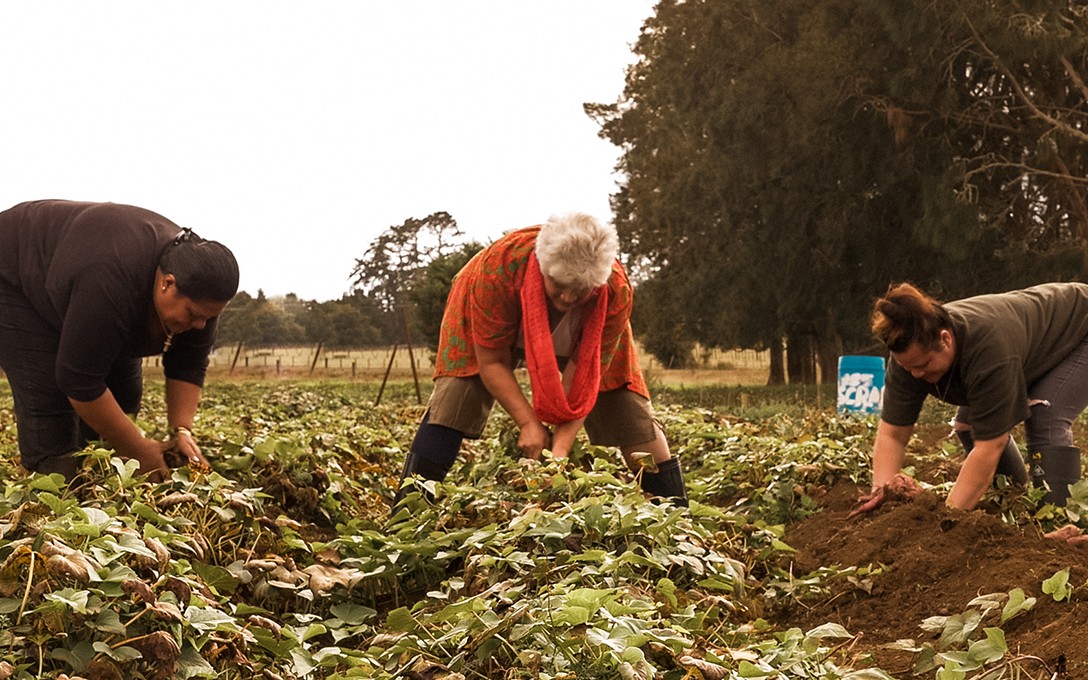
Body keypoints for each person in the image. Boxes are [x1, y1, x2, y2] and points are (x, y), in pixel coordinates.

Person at [394, 212, 688, 506]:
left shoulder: (614, 289)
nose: (569, 299)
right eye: (559, 286)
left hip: (591, 329)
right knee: (457, 395)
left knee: (626, 406)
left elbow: (586, 374)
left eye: (581, 290)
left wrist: (559, 449)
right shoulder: (497, 270)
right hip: (490, 308)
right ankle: (409, 510)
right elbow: (492, 361)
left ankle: (676, 515)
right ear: (544, 267)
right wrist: (528, 424)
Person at [0, 199, 239, 480]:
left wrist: (181, 430)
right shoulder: (111, 279)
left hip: (75, 283)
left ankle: (100, 474)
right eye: (194, 314)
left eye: (209, 318)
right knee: (49, 393)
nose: (201, 324)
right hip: (12, 275)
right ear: (168, 284)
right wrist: (136, 448)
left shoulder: (201, 295)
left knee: (124, 394)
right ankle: (53, 480)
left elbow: (189, 364)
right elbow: (78, 381)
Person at [857, 281, 1088, 513]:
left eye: (924, 365)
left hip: (1081, 328)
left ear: (945, 340)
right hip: (1030, 349)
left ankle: (1058, 516)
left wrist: (949, 516)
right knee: (967, 426)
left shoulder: (988, 352)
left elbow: (990, 447)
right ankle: (1014, 501)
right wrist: (882, 493)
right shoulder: (907, 360)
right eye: (908, 368)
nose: (916, 374)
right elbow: (892, 435)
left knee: (1045, 413)